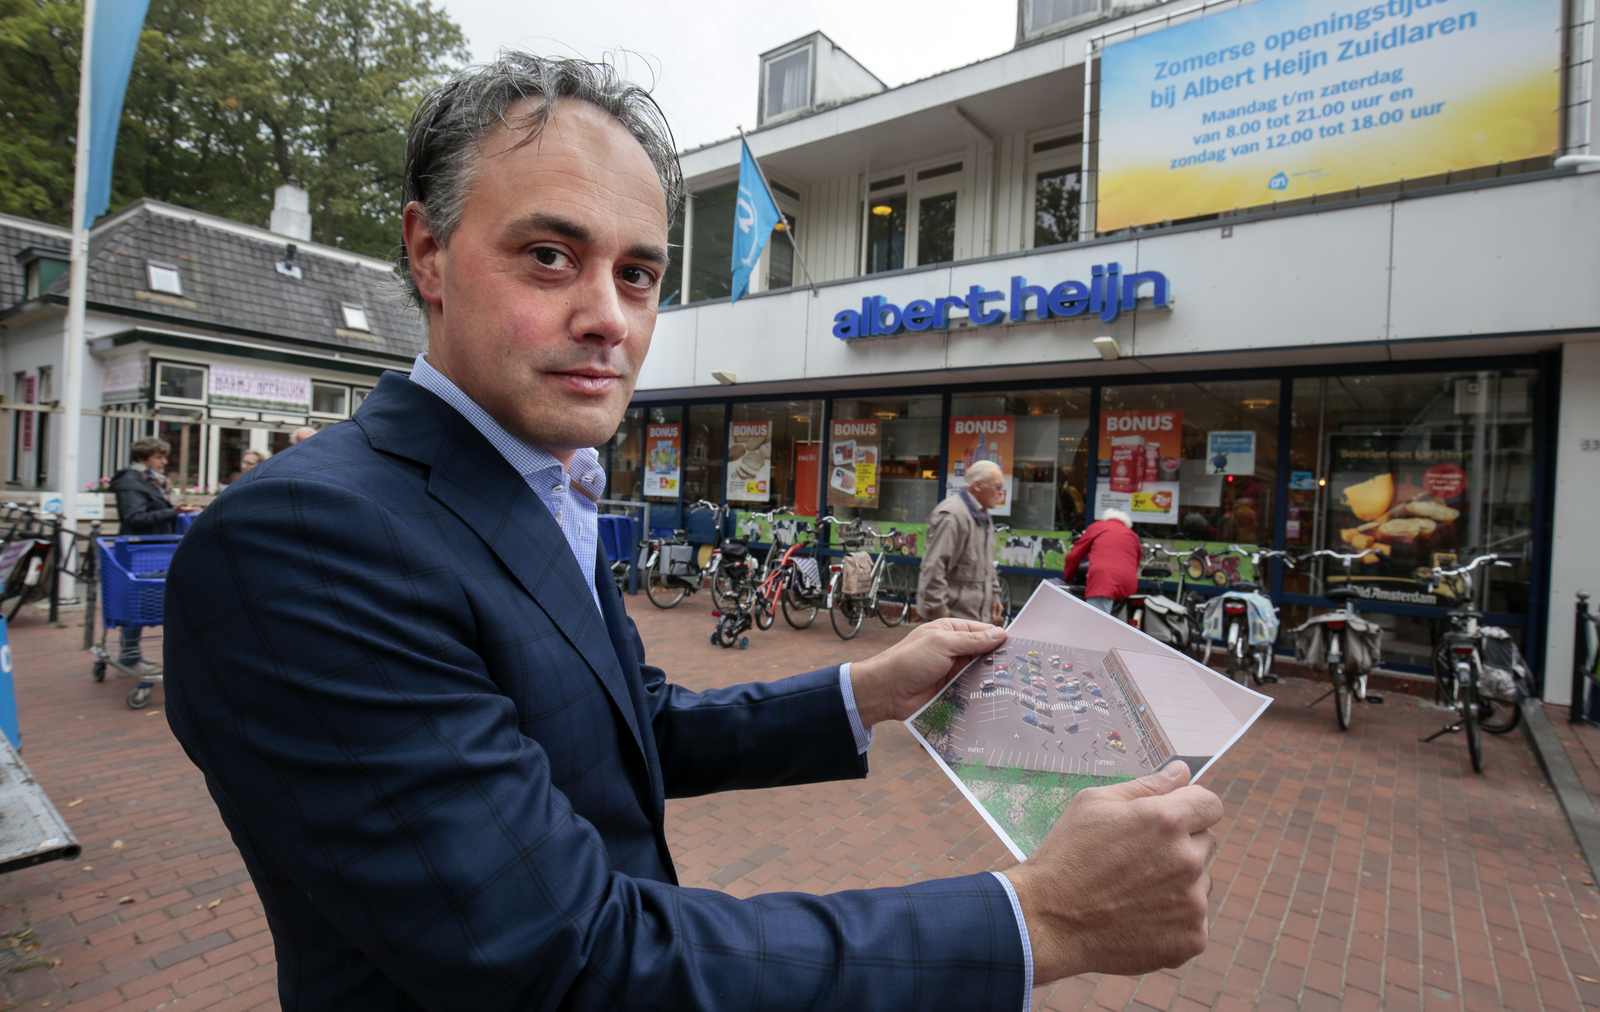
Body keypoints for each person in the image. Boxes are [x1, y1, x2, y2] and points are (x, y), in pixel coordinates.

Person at [164, 55, 1221, 1012]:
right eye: (547, 255)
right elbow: (567, 960)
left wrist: (869, 691)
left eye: (637, 273)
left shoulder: (540, 484)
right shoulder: (305, 537)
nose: (609, 318)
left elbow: (630, 730)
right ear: (427, 254)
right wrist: (1036, 917)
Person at [109, 437, 200, 674]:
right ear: (143, 458)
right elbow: (135, 517)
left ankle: (131, 656)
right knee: (136, 603)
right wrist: (171, 512)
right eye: (158, 457)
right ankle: (129, 657)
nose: (164, 462)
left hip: (152, 549)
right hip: (139, 550)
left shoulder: (148, 481)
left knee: (143, 603)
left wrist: (173, 512)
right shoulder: (131, 482)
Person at [918, 459, 1006, 625]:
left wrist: (994, 595)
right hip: (953, 619)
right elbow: (933, 566)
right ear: (978, 485)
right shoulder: (952, 515)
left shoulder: (983, 515)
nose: (1001, 492)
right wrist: (939, 612)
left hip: (974, 618)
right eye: (998, 486)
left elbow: (987, 565)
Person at [1061, 507, 1143, 613]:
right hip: (1127, 582)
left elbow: (1074, 555)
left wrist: (1068, 578)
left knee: (1095, 622)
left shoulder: (1098, 527)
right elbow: (1136, 560)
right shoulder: (1131, 534)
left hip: (1104, 580)